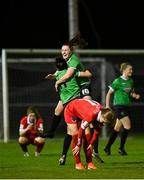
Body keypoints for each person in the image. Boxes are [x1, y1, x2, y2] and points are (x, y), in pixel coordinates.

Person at [64, 98, 115, 170]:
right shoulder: (92, 115)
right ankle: (78, 164)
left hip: (81, 111)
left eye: (106, 123)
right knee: (75, 135)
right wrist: (78, 145)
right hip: (71, 110)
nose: (103, 124)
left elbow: (96, 133)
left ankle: (89, 163)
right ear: (102, 116)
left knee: (88, 137)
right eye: (104, 122)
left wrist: (91, 144)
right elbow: (81, 129)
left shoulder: (103, 115)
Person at [104, 62, 140, 155]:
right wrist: (107, 105)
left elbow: (130, 92)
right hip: (119, 107)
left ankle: (107, 147)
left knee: (117, 128)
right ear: (124, 70)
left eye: (132, 69)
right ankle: (121, 148)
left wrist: (134, 95)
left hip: (127, 106)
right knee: (128, 126)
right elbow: (109, 94)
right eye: (130, 69)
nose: (131, 71)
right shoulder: (117, 81)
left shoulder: (130, 81)